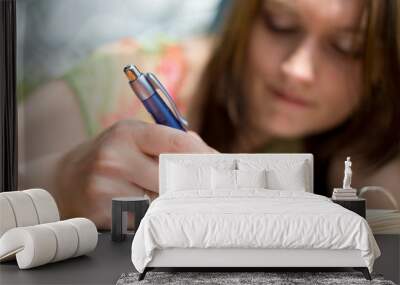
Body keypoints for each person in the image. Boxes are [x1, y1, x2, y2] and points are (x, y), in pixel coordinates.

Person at [18, 0, 400, 229]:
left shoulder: (362, 136)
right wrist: (61, 183)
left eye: (347, 48)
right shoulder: (113, 83)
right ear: (243, 18)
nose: (298, 69)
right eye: (280, 24)